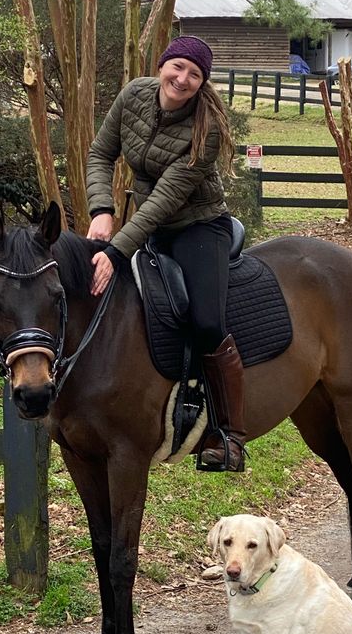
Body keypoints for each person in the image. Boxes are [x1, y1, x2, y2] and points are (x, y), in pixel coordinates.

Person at [85, 35, 246, 472]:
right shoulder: (134, 94)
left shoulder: (206, 127)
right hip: (148, 224)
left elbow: (164, 200)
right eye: (177, 67)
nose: (183, 79)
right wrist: (101, 209)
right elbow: (101, 152)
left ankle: (229, 435)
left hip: (198, 225)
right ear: (162, 66)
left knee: (207, 320)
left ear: (202, 83)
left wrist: (117, 250)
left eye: (195, 74)